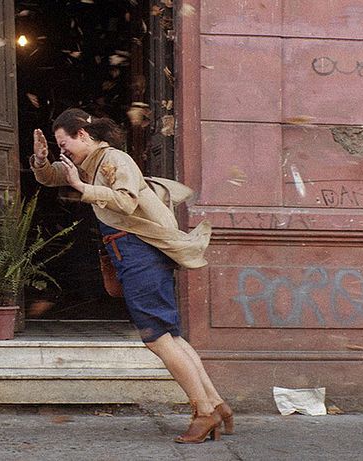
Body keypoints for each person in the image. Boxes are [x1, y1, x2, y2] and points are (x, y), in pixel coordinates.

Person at [29, 108, 232, 444]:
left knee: (156, 337)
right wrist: (41, 161)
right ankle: (217, 404)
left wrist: (81, 186)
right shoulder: (91, 163)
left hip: (141, 253)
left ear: (83, 133)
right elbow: (55, 177)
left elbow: (125, 201)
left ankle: (203, 412)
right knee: (171, 335)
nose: (64, 152)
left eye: (65, 145)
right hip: (134, 253)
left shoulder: (113, 160)